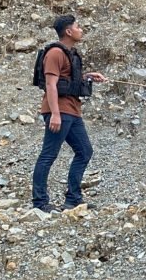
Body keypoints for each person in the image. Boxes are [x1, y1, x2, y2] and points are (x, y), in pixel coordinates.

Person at [32, 15, 107, 212]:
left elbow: (68, 78)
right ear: (68, 31)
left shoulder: (69, 53)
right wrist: (55, 114)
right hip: (60, 111)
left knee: (84, 151)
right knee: (48, 155)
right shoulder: (55, 53)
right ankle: (39, 203)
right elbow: (50, 84)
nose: (81, 29)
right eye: (77, 26)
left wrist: (88, 76)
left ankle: (73, 198)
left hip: (73, 111)